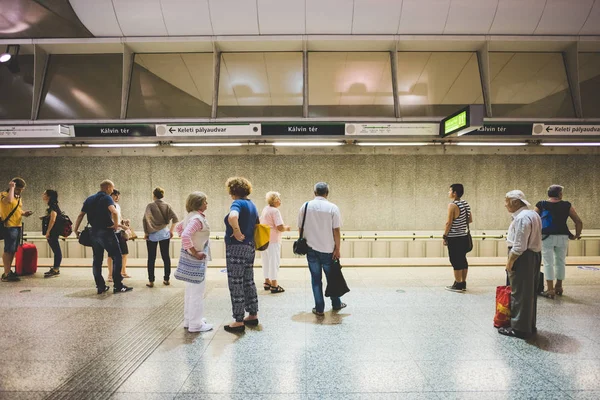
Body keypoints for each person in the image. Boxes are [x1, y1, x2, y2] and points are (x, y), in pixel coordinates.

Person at [74, 180, 133, 294]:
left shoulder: (89, 199)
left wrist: (75, 229)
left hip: (93, 233)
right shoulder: (107, 198)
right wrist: (116, 226)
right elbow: (114, 212)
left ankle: (100, 286)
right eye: (112, 188)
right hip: (106, 232)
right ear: (108, 188)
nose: (112, 190)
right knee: (117, 257)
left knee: (97, 260)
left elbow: (81, 214)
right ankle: (118, 286)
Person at [499, 190, 542, 339]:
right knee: (529, 293)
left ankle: (519, 328)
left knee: (519, 293)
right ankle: (529, 324)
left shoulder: (522, 218)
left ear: (516, 202)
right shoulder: (533, 214)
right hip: (534, 256)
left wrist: (510, 262)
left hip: (522, 258)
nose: (505, 204)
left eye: (507, 201)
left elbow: (519, 246)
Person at [298, 182, 345, 317]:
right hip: (328, 249)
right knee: (332, 278)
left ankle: (319, 308)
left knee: (315, 279)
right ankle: (336, 304)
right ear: (327, 193)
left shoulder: (305, 206)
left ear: (314, 192)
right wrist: (338, 248)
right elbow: (336, 230)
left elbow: (300, 228)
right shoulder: (332, 208)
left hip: (311, 249)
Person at [223, 177, 260, 333]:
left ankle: (238, 320)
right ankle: (252, 314)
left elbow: (233, 217)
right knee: (248, 280)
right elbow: (258, 224)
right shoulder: (252, 205)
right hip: (250, 247)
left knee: (236, 282)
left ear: (233, 191)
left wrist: (237, 232)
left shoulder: (237, 203)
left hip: (237, 247)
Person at [535, 185, 583, 298]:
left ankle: (550, 289)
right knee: (560, 261)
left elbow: (532, 218)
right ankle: (559, 286)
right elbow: (578, 221)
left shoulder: (541, 204)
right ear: (560, 194)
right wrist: (576, 235)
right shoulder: (566, 205)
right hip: (562, 236)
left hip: (546, 236)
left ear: (549, 194)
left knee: (548, 262)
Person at [174, 192, 213, 333]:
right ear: (199, 203)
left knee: (190, 290)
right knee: (197, 291)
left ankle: (189, 320)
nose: (207, 204)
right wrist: (194, 251)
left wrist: (189, 247)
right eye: (205, 201)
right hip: (197, 259)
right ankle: (196, 325)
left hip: (191, 258)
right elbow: (185, 235)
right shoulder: (197, 219)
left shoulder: (190, 216)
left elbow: (179, 229)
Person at [143, 187, 179, 288]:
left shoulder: (150, 206)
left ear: (154, 195)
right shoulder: (167, 205)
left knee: (151, 258)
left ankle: (151, 281)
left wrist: (146, 232)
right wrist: (171, 231)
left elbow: (145, 219)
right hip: (164, 233)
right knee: (165, 256)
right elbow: (176, 219)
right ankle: (166, 279)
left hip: (152, 234)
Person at [1, 178, 33, 282]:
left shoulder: (17, 197)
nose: (19, 191)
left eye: (21, 190)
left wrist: (24, 213)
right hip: (9, 226)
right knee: (8, 249)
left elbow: (17, 209)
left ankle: (8, 271)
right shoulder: (4, 194)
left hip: (17, 225)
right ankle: (6, 273)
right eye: (18, 189)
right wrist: (12, 187)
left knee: (13, 250)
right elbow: (8, 201)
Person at [443, 184, 472, 292]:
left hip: (454, 237)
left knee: (455, 261)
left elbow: (449, 223)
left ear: (454, 193)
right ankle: (463, 282)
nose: (448, 192)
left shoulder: (452, 205)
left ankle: (458, 284)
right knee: (463, 260)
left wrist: (445, 236)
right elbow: (470, 220)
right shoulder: (465, 204)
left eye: (450, 191)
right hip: (464, 236)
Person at [260, 191, 291, 294]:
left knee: (265, 261)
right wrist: (286, 228)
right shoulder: (275, 211)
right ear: (275, 200)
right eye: (279, 199)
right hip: (273, 240)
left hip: (264, 239)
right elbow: (279, 227)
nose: (280, 201)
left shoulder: (265, 209)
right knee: (274, 261)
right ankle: (274, 284)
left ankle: (267, 281)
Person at [107, 189, 131, 282]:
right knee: (111, 254)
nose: (117, 197)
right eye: (115, 195)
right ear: (110, 195)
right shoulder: (108, 206)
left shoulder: (117, 206)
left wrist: (124, 221)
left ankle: (123, 271)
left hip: (120, 232)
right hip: (112, 232)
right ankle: (110, 274)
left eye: (118, 195)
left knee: (124, 252)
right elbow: (110, 222)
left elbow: (118, 218)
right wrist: (122, 226)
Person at [41, 189, 62, 278]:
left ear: (49, 196)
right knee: (56, 250)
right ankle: (55, 268)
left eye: (44, 193)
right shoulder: (53, 205)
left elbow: (53, 218)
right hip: (54, 231)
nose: (43, 195)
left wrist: (48, 231)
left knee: (57, 251)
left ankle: (56, 269)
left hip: (53, 232)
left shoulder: (53, 206)